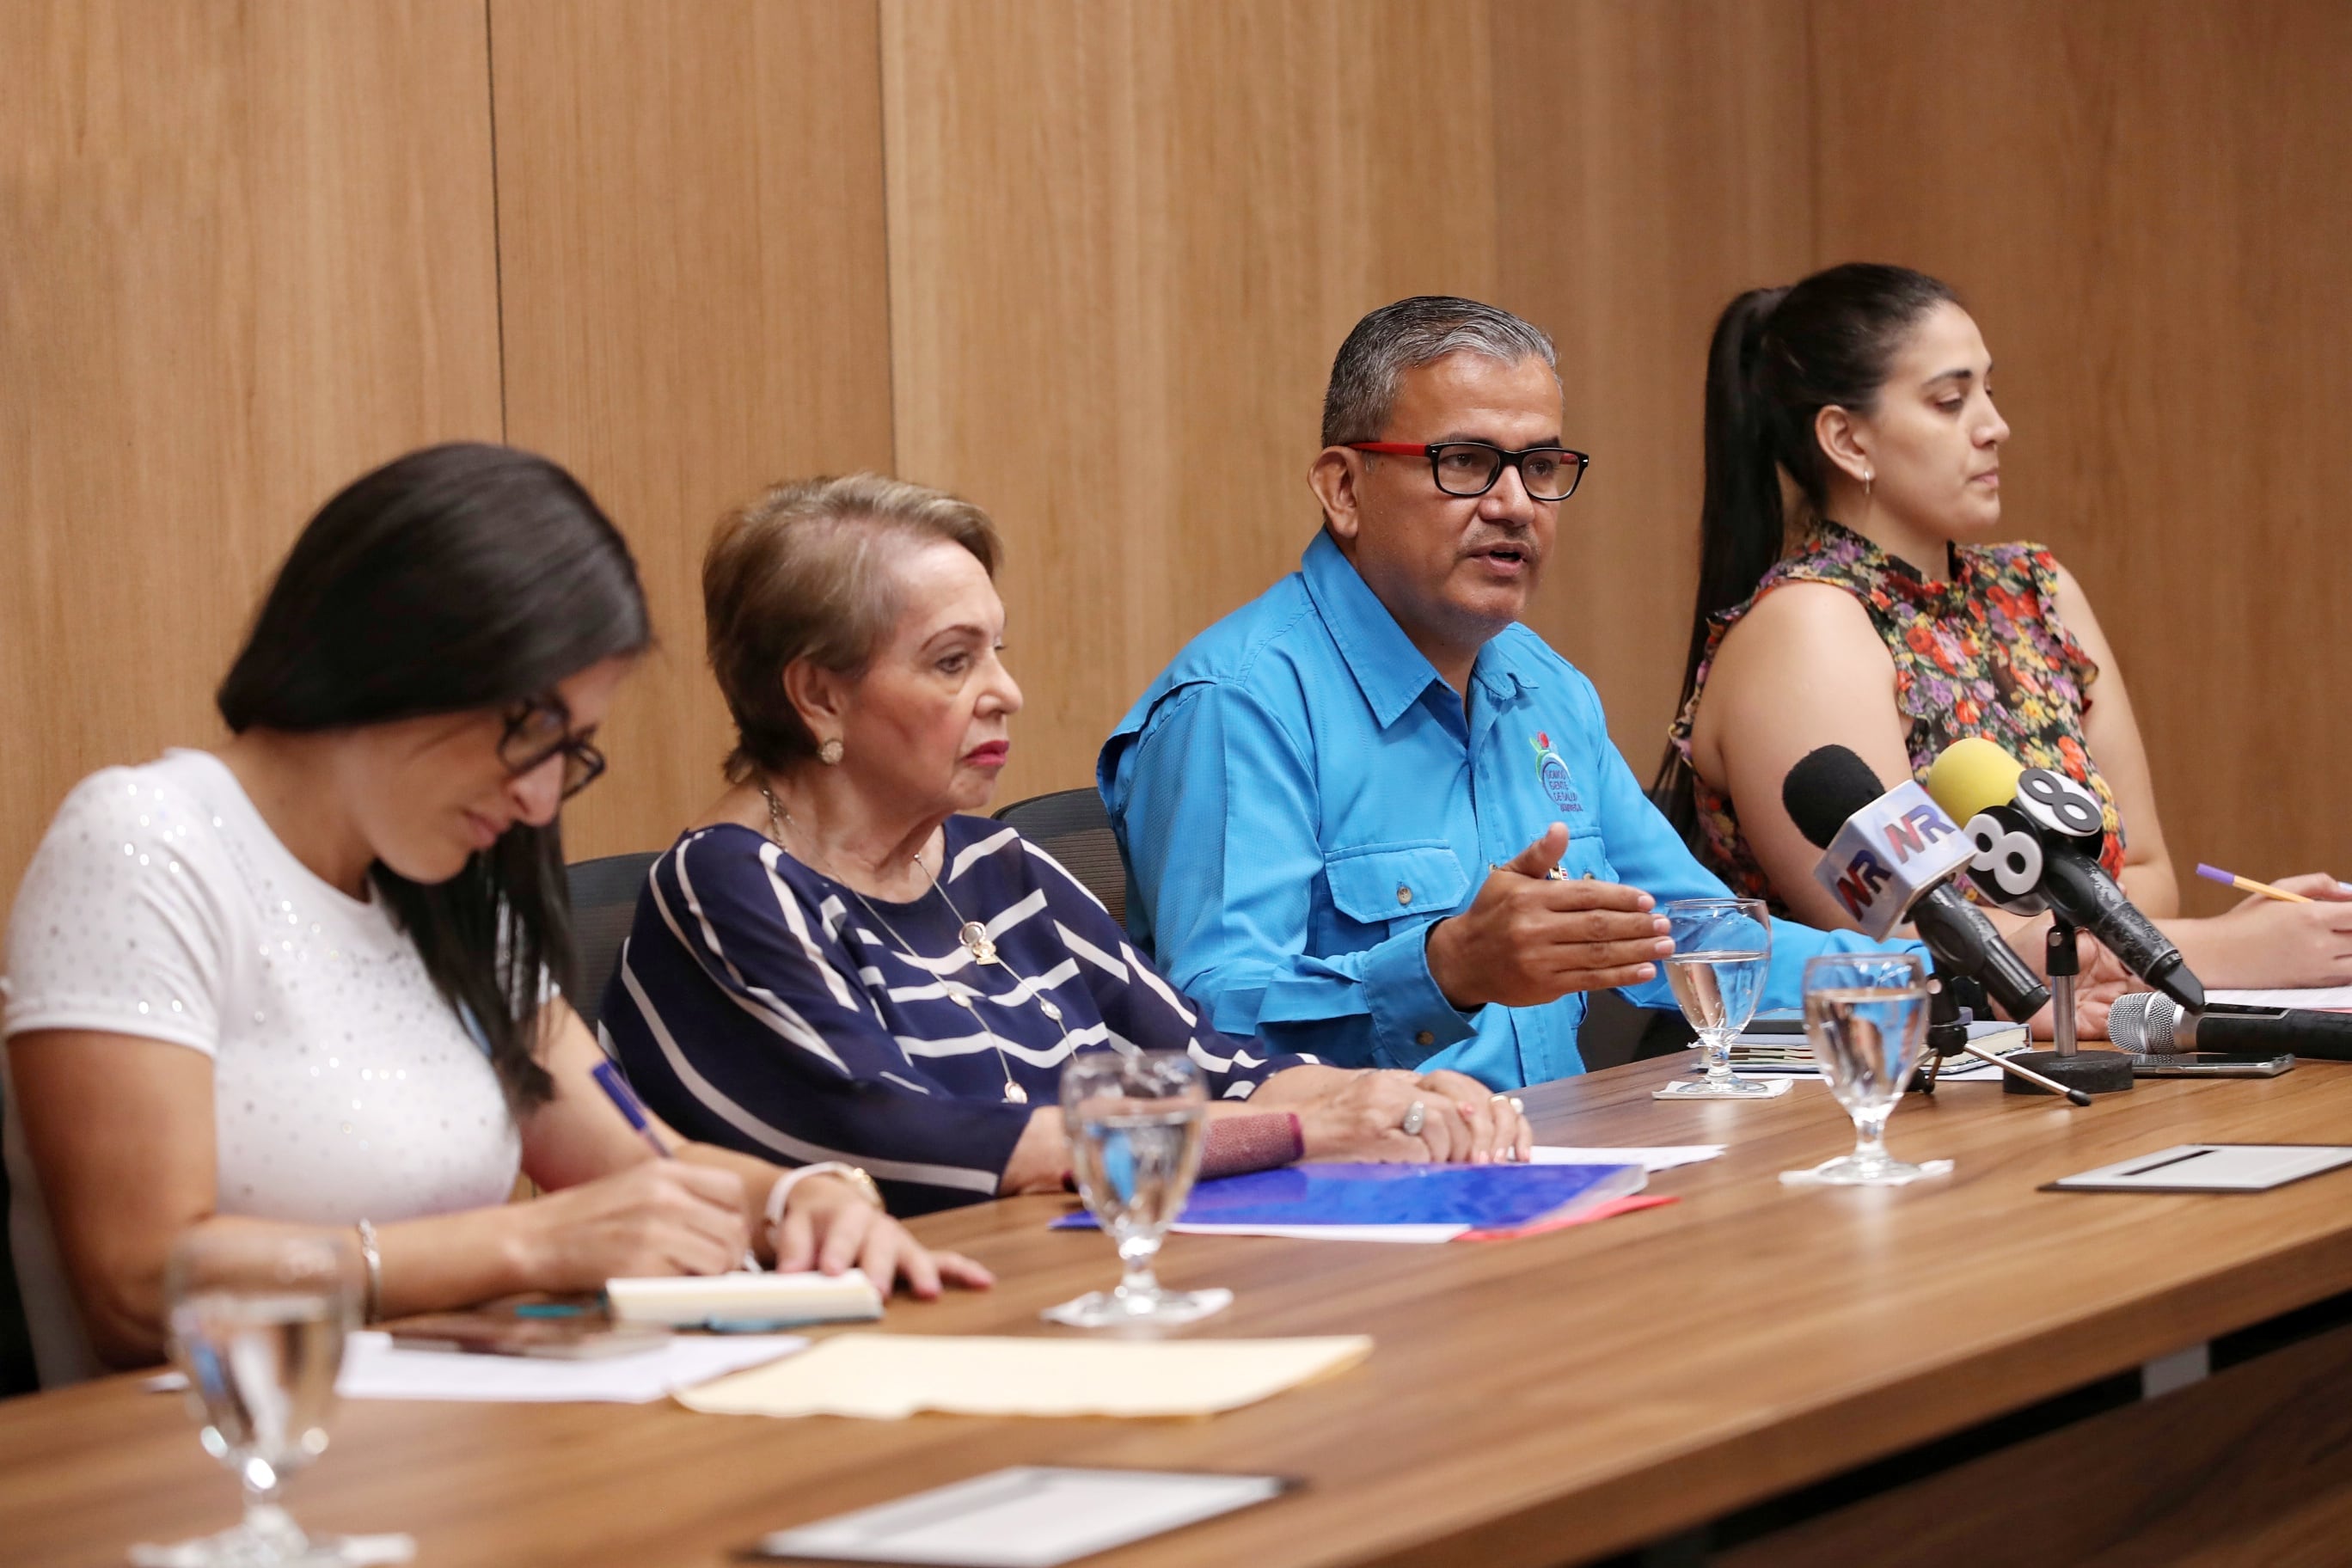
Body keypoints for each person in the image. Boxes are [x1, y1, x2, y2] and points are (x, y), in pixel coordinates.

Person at [1, 444, 977, 1387]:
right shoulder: (148, 844)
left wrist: (798, 1201)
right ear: (400, 657)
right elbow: (137, 1286)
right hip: (214, 1471)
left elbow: (643, 1159)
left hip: (454, 1441)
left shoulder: (444, 890)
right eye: (532, 733)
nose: (541, 801)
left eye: (574, 751)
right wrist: (523, 1242)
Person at [599, 475, 1530, 1216]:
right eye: (953, 662)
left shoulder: (994, 866)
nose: (1006, 692)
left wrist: (1409, 1097)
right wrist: (1299, 1131)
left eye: (998, 652)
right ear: (819, 696)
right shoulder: (731, 886)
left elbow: (1216, 1068)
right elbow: (910, 1140)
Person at [1099, 297, 1906, 1089]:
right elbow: (1212, 1028)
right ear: (1343, 489)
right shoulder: (1239, 704)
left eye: (1540, 466)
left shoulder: (1544, 687)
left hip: (1564, 1167)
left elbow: (1691, 935)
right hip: (1360, 1197)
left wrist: (1922, 979)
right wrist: (1444, 970)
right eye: (1465, 463)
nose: (1515, 505)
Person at [1657, 263, 2352, 985]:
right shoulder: (1807, 630)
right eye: (1951, 401)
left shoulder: (2036, 588)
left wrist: (2222, 941)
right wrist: (2235, 950)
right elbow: (1924, 936)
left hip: (2078, 1040)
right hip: (1883, 1074)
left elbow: (2145, 871)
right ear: (1848, 441)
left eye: (1989, 391)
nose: (1995, 427)